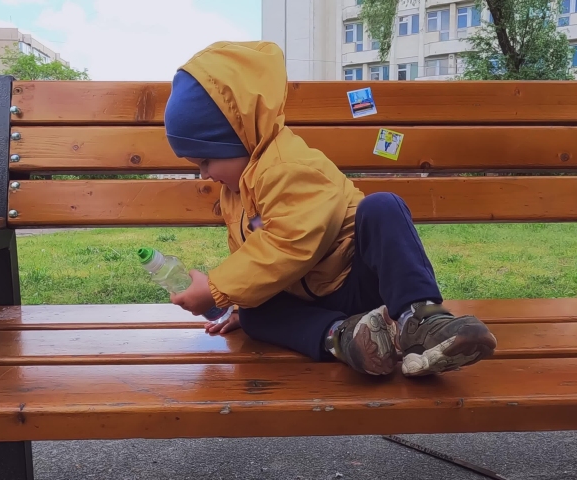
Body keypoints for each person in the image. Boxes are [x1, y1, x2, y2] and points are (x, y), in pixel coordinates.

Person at [166, 41, 497, 377]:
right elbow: (252, 254)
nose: (204, 174)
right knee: (255, 315)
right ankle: (348, 338)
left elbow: (290, 244)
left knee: (382, 207)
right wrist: (241, 302)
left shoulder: (285, 166)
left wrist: (216, 290)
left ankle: (421, 319)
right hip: (313, 298)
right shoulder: (234, 192)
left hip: (360, 279)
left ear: (239, 136)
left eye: (206, 160)